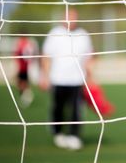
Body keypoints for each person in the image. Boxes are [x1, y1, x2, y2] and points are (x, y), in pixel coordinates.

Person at [40, 8, 93, 150]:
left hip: (77, 80)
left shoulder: (83, 35)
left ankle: (74, 136)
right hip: (58, 79)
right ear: (62, 18)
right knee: (58, 108)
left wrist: (91, 77)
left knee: (77, 110)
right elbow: (46, 56)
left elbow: (89, 58)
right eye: (69, 16)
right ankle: (58, 134)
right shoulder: (54, 33)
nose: (72, 19)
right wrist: (44, 76)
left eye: (74, 16)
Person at [14, 34, 37, 107]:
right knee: (21, 83)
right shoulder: (27, 44)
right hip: (23, 67)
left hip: (24, 68)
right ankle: (26, 96)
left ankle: (27, 97)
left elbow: (21, 55)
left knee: (22, 84)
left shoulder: (23, 44)